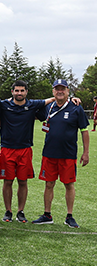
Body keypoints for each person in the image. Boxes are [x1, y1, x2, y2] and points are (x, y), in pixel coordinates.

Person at [32, 79, 90, 228]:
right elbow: (33, 109)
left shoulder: (76, 108)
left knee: (69, 185)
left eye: (62, 89)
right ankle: (47, 214)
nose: (60, 91)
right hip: (49, 154)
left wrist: (86, 152)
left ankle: (69, 216)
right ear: (53, 92)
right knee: (48, 184)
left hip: (68, 154)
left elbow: (84, 131)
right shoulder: (49, 107)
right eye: (57, 89)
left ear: (67, 91)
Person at [0, 80, 54, 223]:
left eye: (22, 90)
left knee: (23, 181)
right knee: (7, 181)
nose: (19, 93)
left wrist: (72, 98)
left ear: (26, 92)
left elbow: (52, 99)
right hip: (7, 149)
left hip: (25, 149)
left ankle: (20, 211)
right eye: (17, 90)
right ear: (12, 92)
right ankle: (8, 211)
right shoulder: (4, 105)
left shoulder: (32, 105)